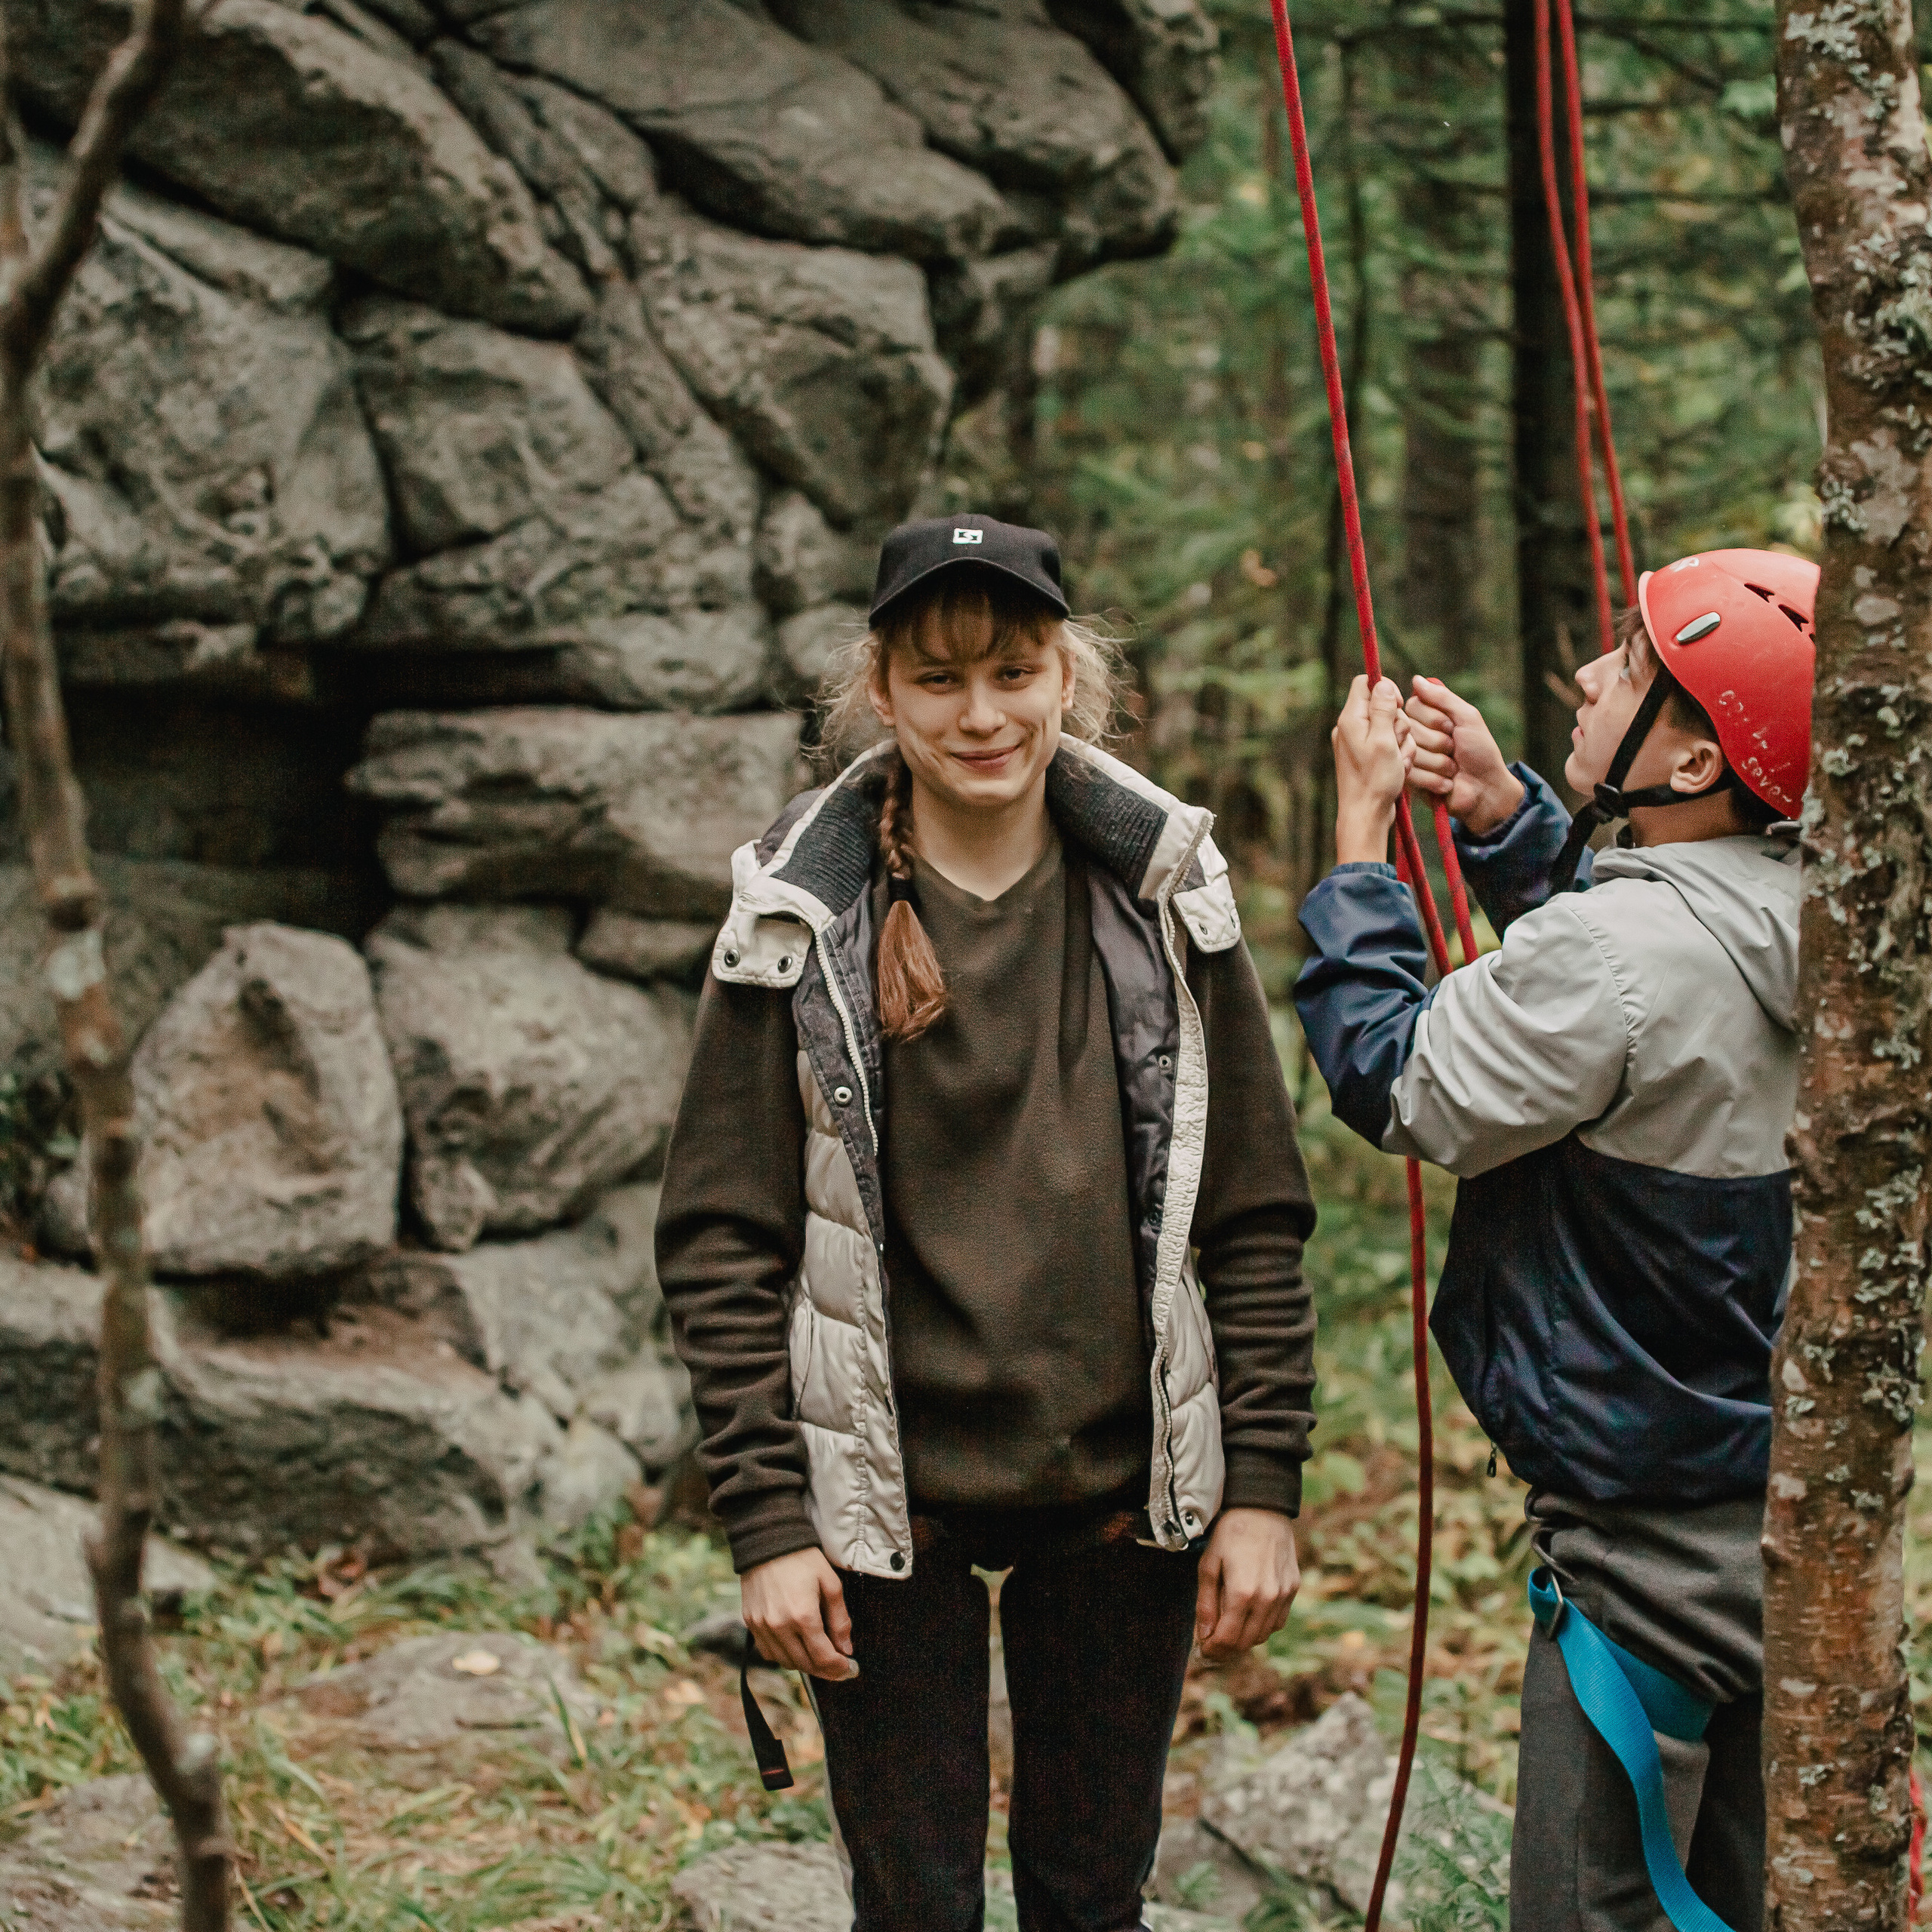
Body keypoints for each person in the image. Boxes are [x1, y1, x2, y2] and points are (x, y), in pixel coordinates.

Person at [654, 513, 1318, 1932]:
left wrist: (1261, 1487)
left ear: (1066, 677)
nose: (981, 715)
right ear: (880, 690)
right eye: (939, 679)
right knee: (917, 1905)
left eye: (1013, 672)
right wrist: (769, 1521)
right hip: (886, 1513)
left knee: (1092, 1899)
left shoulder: (1164, 900)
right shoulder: (796, 921)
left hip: (1118, 1497)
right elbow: (721, 1238)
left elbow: (1254, 1214)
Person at [1294, 549, 1817, 1932]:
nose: (1588, 675)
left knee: (1590, 1906)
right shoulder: (1817, 924)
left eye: (1631, 669)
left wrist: (1359, 849)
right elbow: (1630, 1005)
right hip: (1770, 1519)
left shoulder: (1623, 954)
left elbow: (1403, 1078)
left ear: (1695, 760)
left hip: (1634, 1547)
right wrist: (1507, 810)